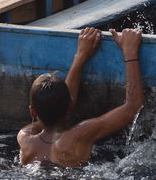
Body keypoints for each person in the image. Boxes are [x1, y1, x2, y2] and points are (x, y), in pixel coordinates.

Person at [17, 27, 144, 167]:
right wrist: (130, 52)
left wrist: (81, 56)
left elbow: (62, 108)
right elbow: (133, 106)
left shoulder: (24, 137)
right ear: (70, 105)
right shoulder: (79, 135)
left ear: (32, 111)